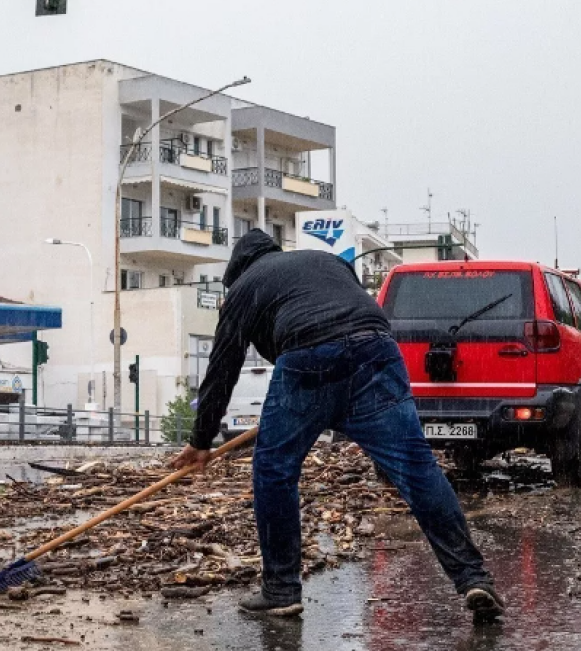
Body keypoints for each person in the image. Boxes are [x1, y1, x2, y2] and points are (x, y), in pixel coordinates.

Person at [170, 230, 502, 620]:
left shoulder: (244, 288)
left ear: (237, 270)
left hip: (308, 359)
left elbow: (222, 369)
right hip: (377, 350)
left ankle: (281, 590)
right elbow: (347, 315)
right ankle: (473, 577)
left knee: (274, 471)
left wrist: (201, 439)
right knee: (416, 467)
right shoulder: (326, 261)